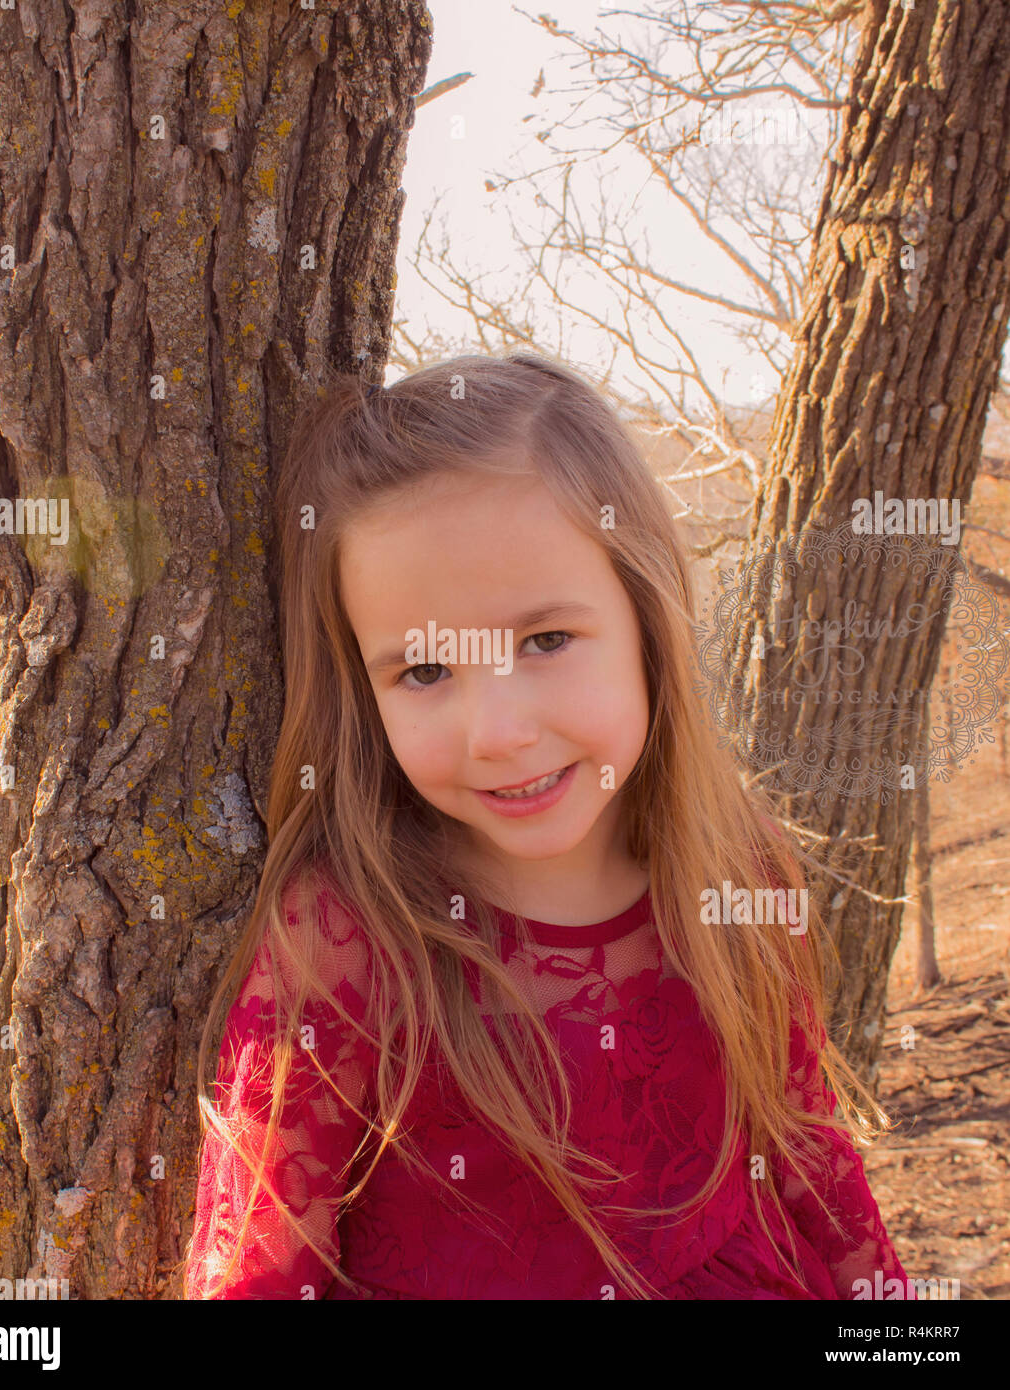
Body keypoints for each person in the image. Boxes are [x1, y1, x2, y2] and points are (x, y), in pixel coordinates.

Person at [183, 352, 910, 1300]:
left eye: (547, 641)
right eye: (426, 673)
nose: (500, 733)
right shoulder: (350, 939)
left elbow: (811, 1156)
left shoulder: (740, 874)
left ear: (646, 619)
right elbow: (258, 1271)